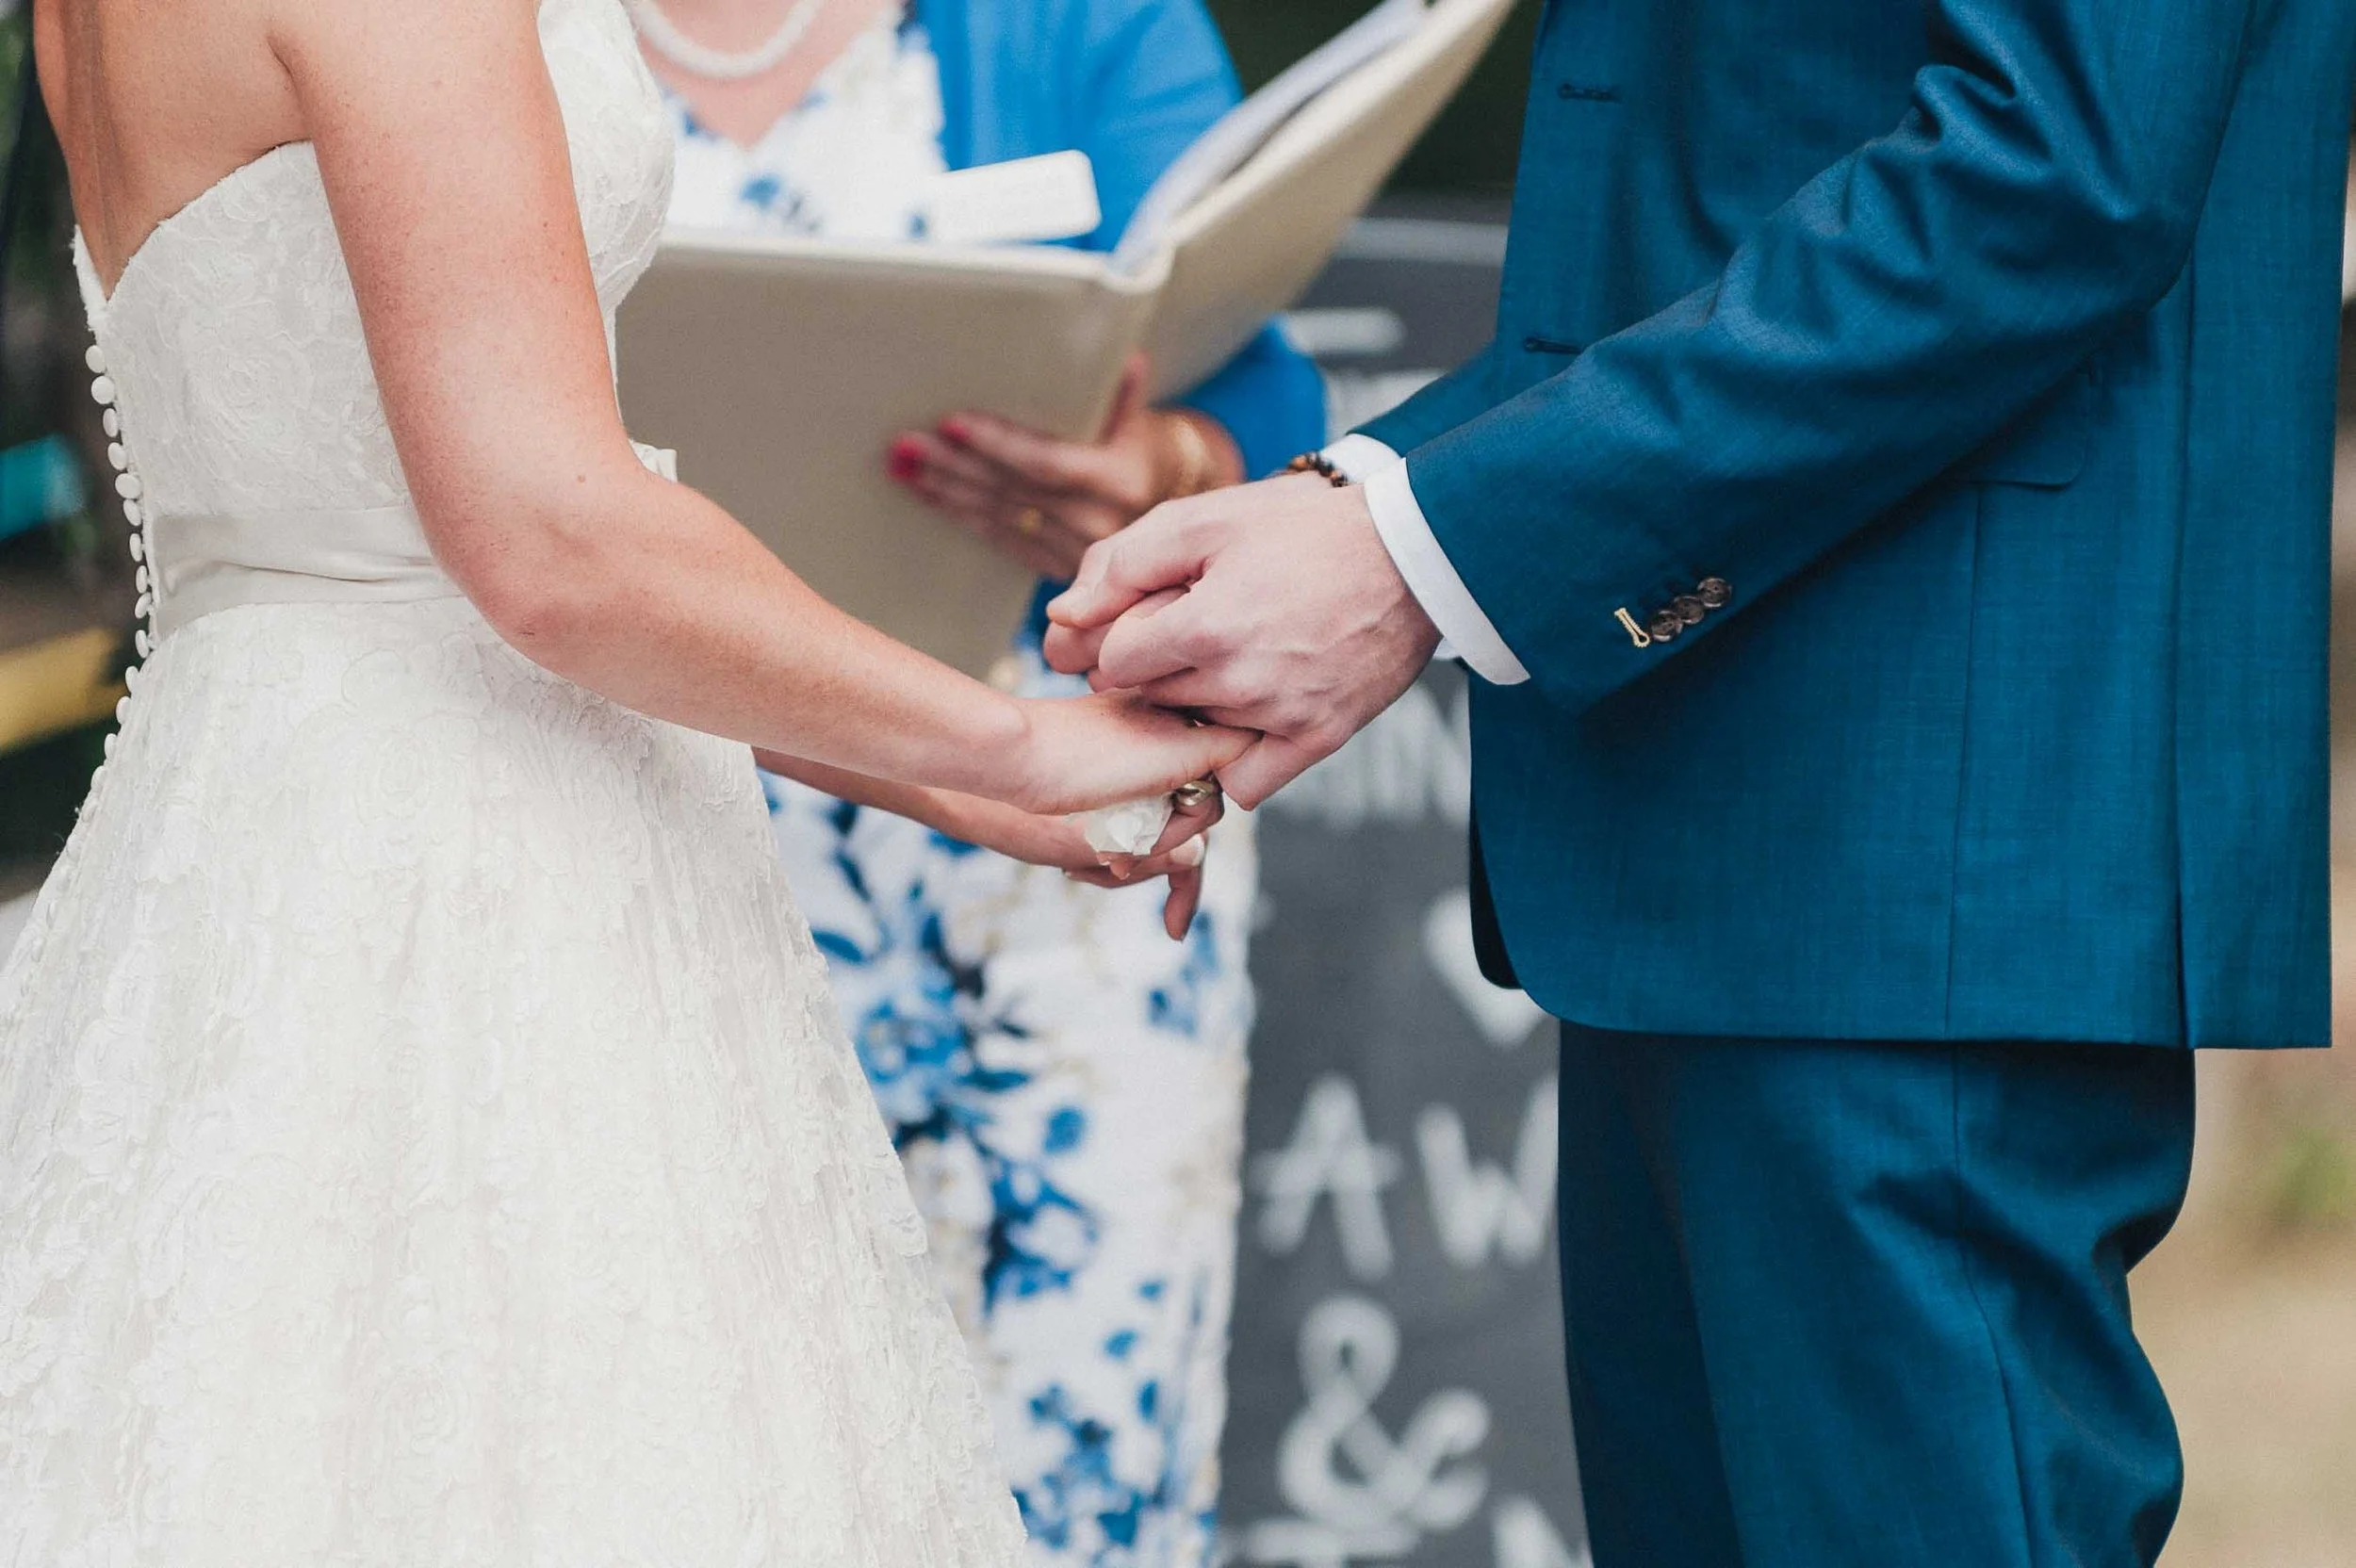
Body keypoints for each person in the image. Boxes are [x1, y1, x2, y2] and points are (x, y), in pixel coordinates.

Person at [1045, 0, 2356, 1564]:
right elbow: (1746, 167)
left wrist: (1419, 556)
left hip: (1923, 830)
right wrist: (1378, 505)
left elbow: (2060, 165)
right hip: (1726, 815)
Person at [0, 0, 1252, 1557]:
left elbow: (377, 543)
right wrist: (1019, 738)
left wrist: (937, 776)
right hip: (469, 887)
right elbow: (544, 542)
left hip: (254, 844)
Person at [631, 3, 1326, 1560]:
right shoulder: (500, 41)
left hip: (1062, 835)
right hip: (668, 815)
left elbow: (1275, 400)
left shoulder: (1080, 23)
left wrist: (1162, 467)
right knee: (717, 1424)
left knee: (1086, 1431)